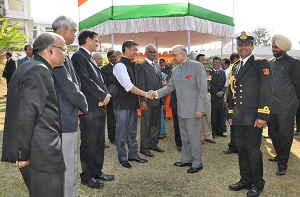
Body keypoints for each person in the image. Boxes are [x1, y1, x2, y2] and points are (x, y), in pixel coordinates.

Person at [1, 32, 67, 197]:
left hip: (37, 151)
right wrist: (22, 153)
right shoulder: (38, 70)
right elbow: (27, 115)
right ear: (50, 50)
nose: (66, 54)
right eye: (64, 49)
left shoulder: (28, 66)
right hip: (42, 155)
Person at [227, 31, 272, 197]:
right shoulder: (235, 66)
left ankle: (258, 184)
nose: (243, 47)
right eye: (240, 45)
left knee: (253, 151)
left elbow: (266, 91)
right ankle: (245, 179)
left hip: (254, 117)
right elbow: (232, 93)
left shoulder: (261, 63)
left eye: (246, 45)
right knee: (242, 149)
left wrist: (262, 115)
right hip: (238, 117)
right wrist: (230, 114)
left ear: (252, 46)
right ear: (237, 47)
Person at [151, 45, 207, 174]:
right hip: (181, 109)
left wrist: (200, 109)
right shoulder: (175, 70)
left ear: (182, 54)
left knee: (194, 137)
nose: (173, 57)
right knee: (184, 137)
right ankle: (186, 159)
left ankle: (197, 163)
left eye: (174, 55)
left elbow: (202, 89)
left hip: (194, 110)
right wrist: (156, 93)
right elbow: (169, 87)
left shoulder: (196, 66)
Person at [71, 29, 114, 189]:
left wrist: (105, 95)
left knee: (98, 142)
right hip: (89, 107)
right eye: (96, 40)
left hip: (99, 107)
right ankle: (87, 176)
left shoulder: (88, 57)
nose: (97, 43)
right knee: (89, 143)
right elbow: (84, 80)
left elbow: (99, 81)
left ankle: (97, 172)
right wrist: (103, 95)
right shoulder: (78, 57)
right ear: (88, 40)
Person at [52, 16, 88, 197]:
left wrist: (78, 105)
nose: (75, 34)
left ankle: (71, 192)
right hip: (62, 117)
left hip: (70, 113)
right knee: (67, 162)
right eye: (74, 30)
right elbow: (68, 87)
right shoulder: (54, 52)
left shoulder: (62, 51)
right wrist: (83, 103)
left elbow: (74, 85)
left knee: (71, 160)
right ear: (64, 29)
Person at [113, 40, 152, 168]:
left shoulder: (132, 65)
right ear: (127, 49)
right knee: (121, 132)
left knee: (132, 132)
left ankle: (133, 154)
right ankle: (122, 157)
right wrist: (145, 95)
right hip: (121, 105)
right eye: (135, 50)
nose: (137, 52)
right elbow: (128, 86)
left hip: (131, 104)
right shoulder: (119, 66)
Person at [268, 34, 300, 176]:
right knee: (274, 134)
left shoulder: (294, 62)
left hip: (286, 107)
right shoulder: (270, 62)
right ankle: (279, 155)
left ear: (284, 48)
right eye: (273, 46)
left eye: (276, 47)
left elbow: (298, 85)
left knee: (285, 135)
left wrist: (294, 102)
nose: (273, 49)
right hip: (271, 106)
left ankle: (283, 164)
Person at [136, 44, 164, 158]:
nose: (153, 54)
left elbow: (160, 85)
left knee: (156, 124)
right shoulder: (141, 66)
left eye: (154, 52)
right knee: (146, 125)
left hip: (157, 101)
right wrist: (142, 101)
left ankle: (153, 144)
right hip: (147, 101)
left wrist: (162, 101)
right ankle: (144, 147)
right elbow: (140, 84)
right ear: (145, 53)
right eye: (150, 52)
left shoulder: (157, 66)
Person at [196, 53, 216, 144]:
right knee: (198, 116)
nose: (204, 62)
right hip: (197, 96)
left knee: (208, 115)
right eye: (202, 60)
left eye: (205, 60)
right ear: (197, 61)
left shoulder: (209, 71)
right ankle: (200, 137)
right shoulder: (194, 72)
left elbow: (211, 84)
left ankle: (208, 135)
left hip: (207, 95)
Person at [223, 53, 240, 154]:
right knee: (232, 125)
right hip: (233, 103)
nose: (235, 64)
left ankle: (241, 147)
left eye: (237, 61)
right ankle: (232, 146)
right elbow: (228, 88)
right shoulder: (230, 72)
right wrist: (227, 102)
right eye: (233, 62)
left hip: (245, 104)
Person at [102, 50, 118, 145]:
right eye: (113, 57)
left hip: (120, 96)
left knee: (119, 118)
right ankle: (112, 138)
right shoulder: (104, 69)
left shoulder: (120, 66)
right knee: (111, 118)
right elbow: (106, 81)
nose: (115, 58)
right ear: (108, 58)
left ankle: (119, 135)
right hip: (111, 96)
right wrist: (115, 75)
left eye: (116, 56)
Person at [210, 56, 227, 137]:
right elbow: (209, 84)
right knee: (213, 116)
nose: (217, 64)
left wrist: (222, 91)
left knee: (221, 115)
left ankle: (220, 132)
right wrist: (216, 92)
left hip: (221, 97)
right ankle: (212, 132)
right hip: (213, 97)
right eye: (215, 62)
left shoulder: (222, 73)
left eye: (218, 62)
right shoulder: (209, 72)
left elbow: (225, 84)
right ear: (212, 63)